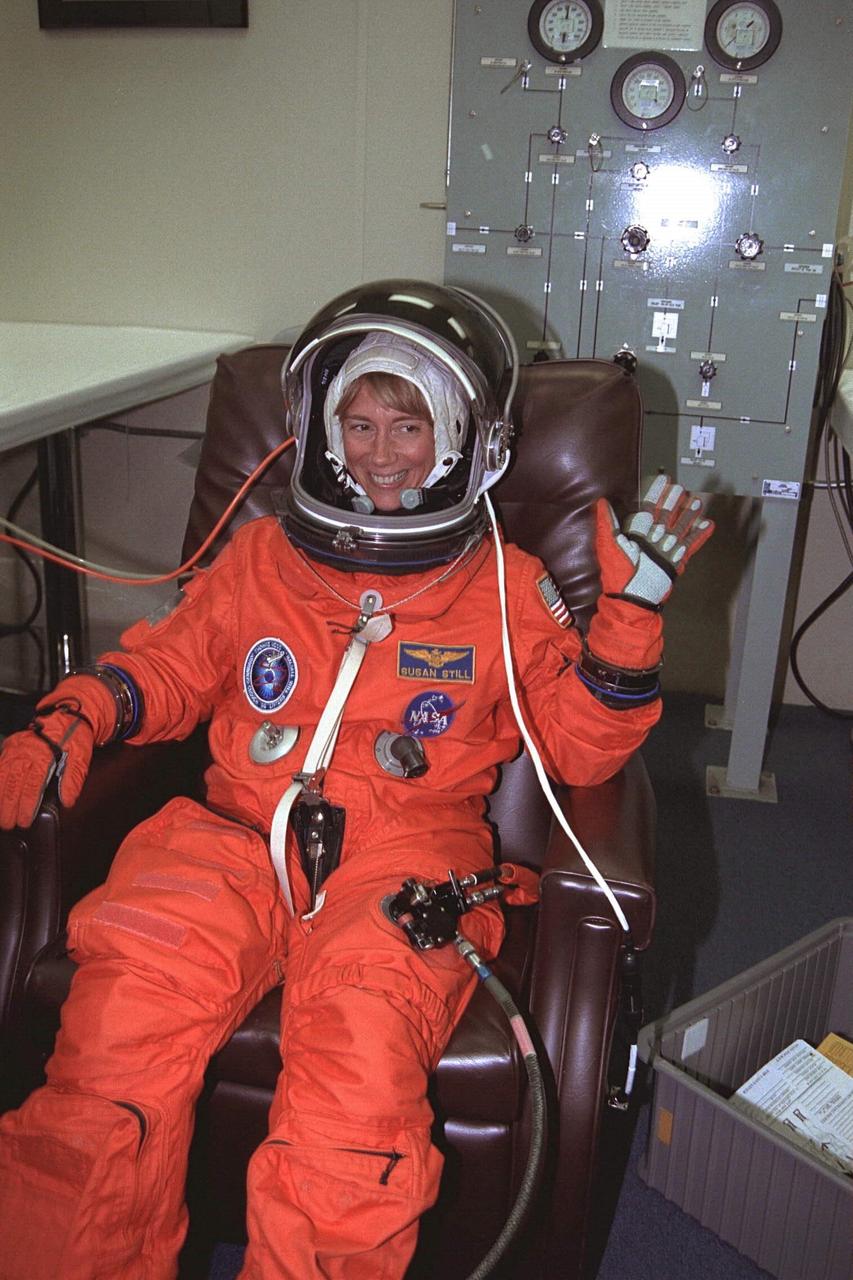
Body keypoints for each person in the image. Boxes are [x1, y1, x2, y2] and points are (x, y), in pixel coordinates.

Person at [0, 280, 713, 1280]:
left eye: (410, 425)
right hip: (232, 839)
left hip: (407, 859)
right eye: (359, 423)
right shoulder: (259, 557)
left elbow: (581, 752)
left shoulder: (505, 584)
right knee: (109, 1054)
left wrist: (627, 620)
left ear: (467, 435)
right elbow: (170, 665)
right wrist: (78, 709)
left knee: (353, 1107)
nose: (380, 453)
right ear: (321, 433)